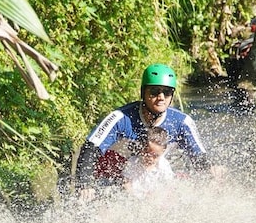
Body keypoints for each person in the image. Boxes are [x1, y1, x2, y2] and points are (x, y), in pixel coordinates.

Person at [75, 63, 219, 200]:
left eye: (167, 92)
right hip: (118, 180)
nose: (161, 97)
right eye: (155, 91)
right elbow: (90, 148)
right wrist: (85, 183)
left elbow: (199, 157)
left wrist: (211, 174)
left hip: (158, 180)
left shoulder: (183, 123)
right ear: (143, 93)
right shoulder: (120, 118)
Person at [122, 126, 174, 197]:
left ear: (162, 153)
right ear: (142, 148)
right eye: (147, 153)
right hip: (134, 197)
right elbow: (126, 183)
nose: (150, 158)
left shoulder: (163, 165)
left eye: (155, 156)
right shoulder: (133, 162)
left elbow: (169, 188)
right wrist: (132, 195)